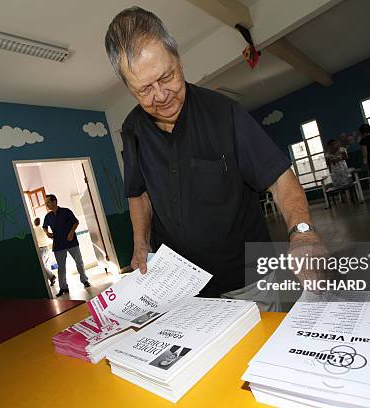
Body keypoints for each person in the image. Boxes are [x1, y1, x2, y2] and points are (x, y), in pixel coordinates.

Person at [104, 7, 325, 308]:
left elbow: (280, 178)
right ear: (129, 89)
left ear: (179, 62)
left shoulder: (225, 113)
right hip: (180, 283)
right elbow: (138, 193)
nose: (160, 96)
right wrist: (140, 245)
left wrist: (302, 232)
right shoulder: (132, 129)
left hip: (245, 279)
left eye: (166, 77)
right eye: (144, 90)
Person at [43, 194, 90, 297]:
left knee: (79, 262)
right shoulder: (48, 216)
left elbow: (75, 222)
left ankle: (84, 280)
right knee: (61, 267)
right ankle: (63, 287)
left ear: (54, 201)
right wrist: (47, 233)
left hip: (71, 241)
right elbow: (44, 226)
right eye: (46, 203)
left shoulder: (66, 211)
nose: (47, 205)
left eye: (48, 202)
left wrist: (71, 232)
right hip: (58, 245)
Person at [33, 217, 56, 286]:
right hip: (46, 248)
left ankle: (51, 276)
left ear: (34, 223)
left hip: (40, 249)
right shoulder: (43, 229)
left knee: (42, 265)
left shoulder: (33, 230)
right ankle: (50, 279)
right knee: (45, 265)